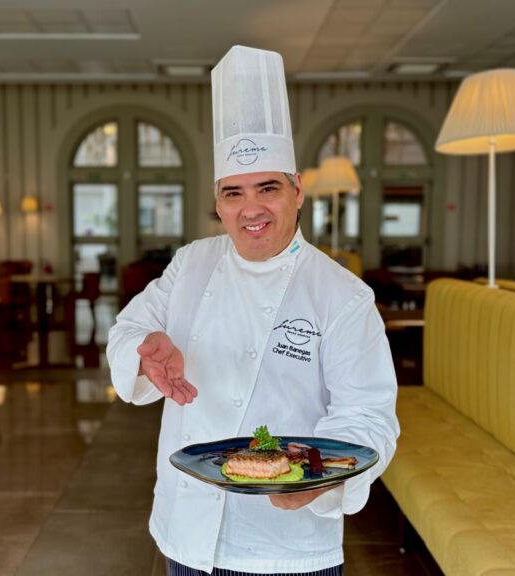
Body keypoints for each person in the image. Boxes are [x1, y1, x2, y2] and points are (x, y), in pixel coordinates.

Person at [107, 45, 399, 576]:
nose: (251, 209)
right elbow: (129, 327)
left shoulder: (343, 295)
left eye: (268, 187)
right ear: (218, 202)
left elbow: (369, 416)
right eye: (233, 193)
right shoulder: (192, 263)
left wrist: (319, 484)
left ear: (297, 191)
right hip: (186, 525)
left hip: (285, 544)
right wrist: (143, 353)